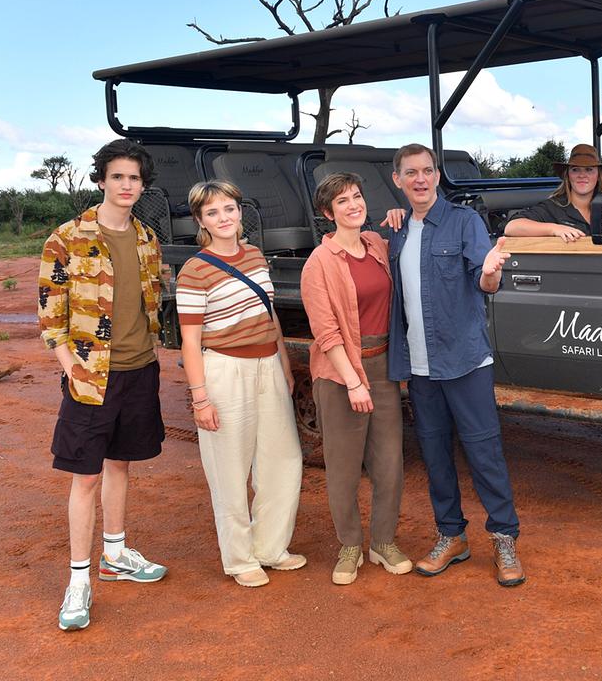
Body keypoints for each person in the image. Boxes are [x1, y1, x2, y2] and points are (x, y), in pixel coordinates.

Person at [39, 139, 168, 631]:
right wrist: (69, 365)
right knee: (85, 476)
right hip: (91, 376)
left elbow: (151, 302)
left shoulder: (147, 238)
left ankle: (115, 554)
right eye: (118, 176)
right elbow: (50, 311)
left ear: (142, 184)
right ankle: (78, 581)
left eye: (134, 177)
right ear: (101, 181)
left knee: (120, 463)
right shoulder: (68, 238)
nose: (126, 185)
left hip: (139, 369)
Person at [387, 143, 526, 587]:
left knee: (484, 453)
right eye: (412, 173)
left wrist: (491, 270)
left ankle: (503, 538)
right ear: (398, 180)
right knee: (434, 455)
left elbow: (485, 282)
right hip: (420, 366)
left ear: (437, 176)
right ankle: (452, 536)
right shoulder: (396, 231)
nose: (421, 179)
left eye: (428, 171)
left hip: (465, 361)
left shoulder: (465, 222)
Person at [176, 181, 305, 588]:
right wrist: (200, 398)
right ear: (200, 221)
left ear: (240, 211)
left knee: (283, 460)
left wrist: (283, 363)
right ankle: (239, 558)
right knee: (229, 469)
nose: (223, 218)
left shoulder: (255, 256)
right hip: (224, 369)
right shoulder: (194, 270)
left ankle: (270, 547)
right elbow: (190, 341)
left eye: (229, 209)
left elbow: (270, 314)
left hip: (268, 364)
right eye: (212, 212)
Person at [301, 172, 411, 586]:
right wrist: (352, 382)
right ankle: (349, 545)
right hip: (340, 372)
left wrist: (400, 214)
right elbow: (326, 332)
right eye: (343, 201)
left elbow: (409, 237)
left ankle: (383, 542)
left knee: (389, 463)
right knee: (344, 467)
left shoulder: (377, 245)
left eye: (357, 196)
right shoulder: (319, 262)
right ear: (328, 213)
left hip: (383, 366)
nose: (354, 205)